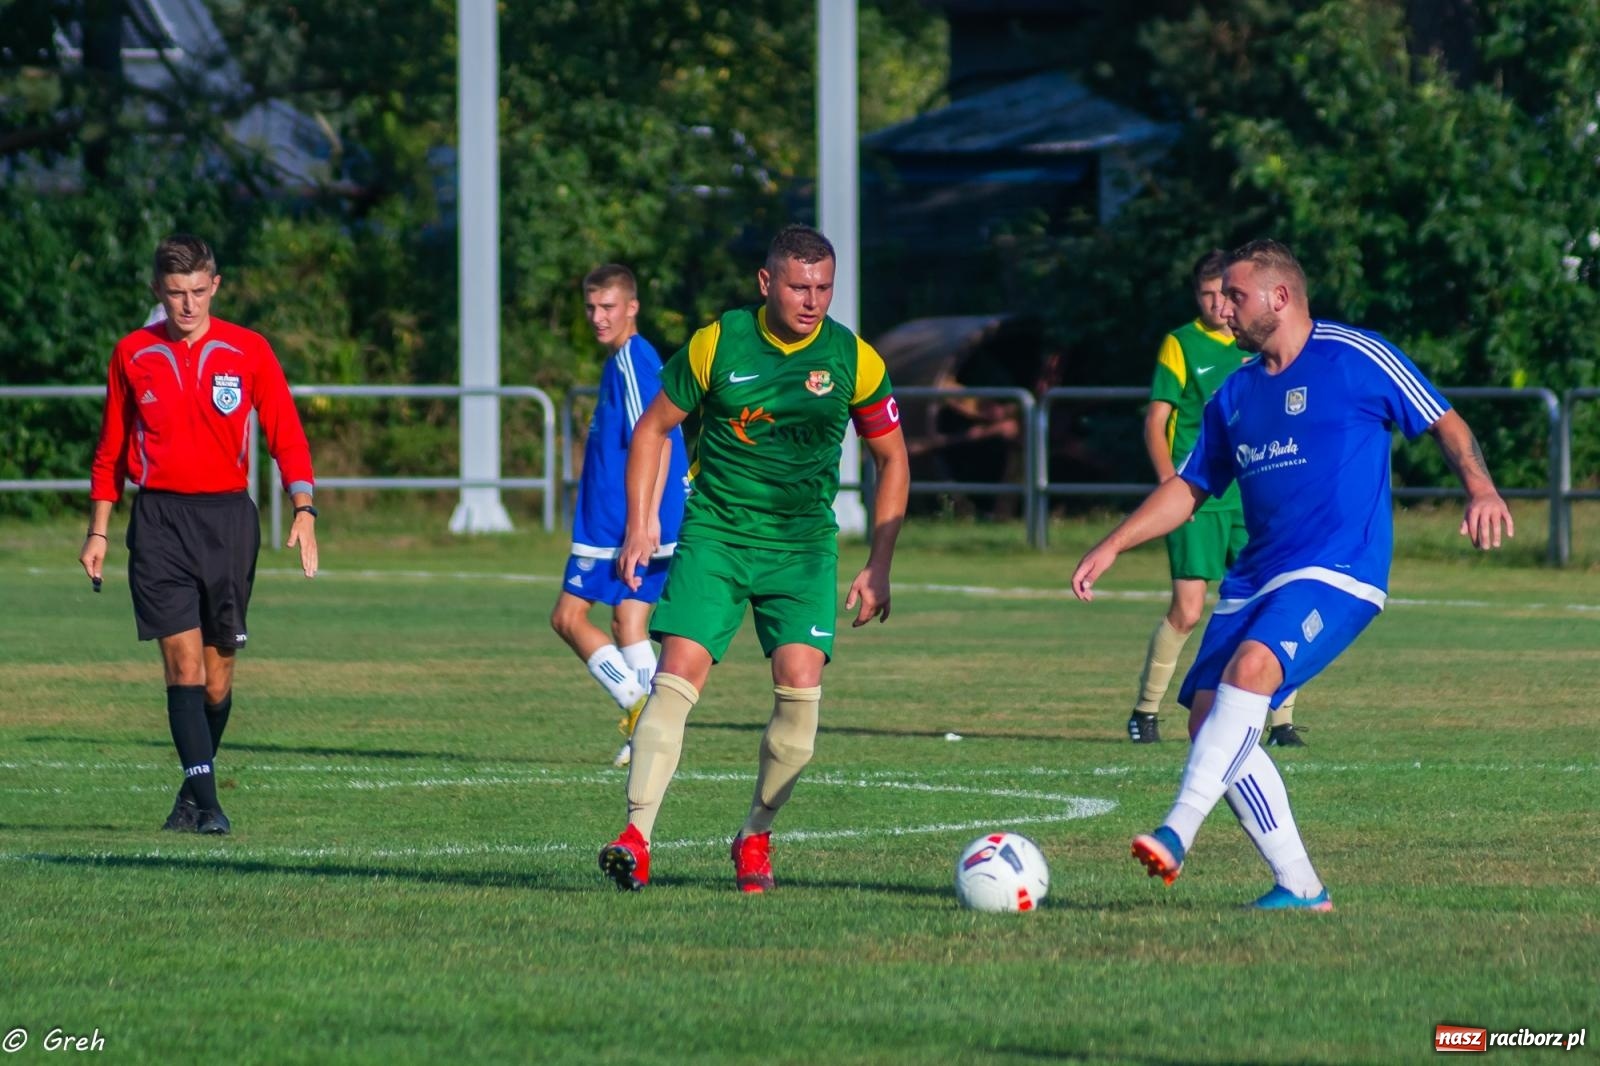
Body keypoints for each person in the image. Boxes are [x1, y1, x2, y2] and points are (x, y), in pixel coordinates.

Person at [1071, 239, 1512, 909]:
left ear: (1280, 297)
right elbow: (1190, 486)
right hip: (1253, 577)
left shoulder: (1354, 355)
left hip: (1339, 570)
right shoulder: (1235, 391)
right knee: (1210, 716)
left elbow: (1444, 420)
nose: (1226, 311)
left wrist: (1480, 488)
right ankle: (1300, 887)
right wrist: (1114, 544)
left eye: (1238, 297)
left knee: (1253, 670)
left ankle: (1177, 829)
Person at [597, 224, 910, 892]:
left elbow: (893, 458)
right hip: (718, 532)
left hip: (801, 547)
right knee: (678, 672)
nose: (813, 300)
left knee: (800, 695)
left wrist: (879, 562)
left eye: (824, 287)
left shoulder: (855, 359)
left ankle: (755, 835)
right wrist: (642, 521)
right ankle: (636, 836)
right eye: (800, 286)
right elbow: (653, 429)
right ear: (767, 283)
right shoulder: (718, 342)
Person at [80, 234, 319, 836]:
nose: (187, 305)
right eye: (175, 293)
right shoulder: (132, 353)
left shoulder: (248, 350)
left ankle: (190, 795)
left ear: (215, 285)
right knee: (182, 667)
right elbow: (110, 449)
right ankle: (210, 807)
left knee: (217, 676)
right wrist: (99, 532)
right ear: (158, 292)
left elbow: (286, 433)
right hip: (158, 522)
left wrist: (304, 506)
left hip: (228, 523)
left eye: (197, 291)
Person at [1129, 250, 1302, 747]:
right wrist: (1170, 484)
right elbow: (1156, 421)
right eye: (1206, 295)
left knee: (1276, 601)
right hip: (1197, 498)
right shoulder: (1181, 344)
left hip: (1250, 498)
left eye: (1223, 294)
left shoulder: (1262, 342)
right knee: (1187, 610)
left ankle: (1282, 721)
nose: (1216, 304)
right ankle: (1146, 711)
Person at [550, 264, 690, 768]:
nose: (597, 317)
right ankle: (655, 733)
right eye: (591, 307)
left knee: (567, 617)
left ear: (632, 307)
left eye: (608, 306)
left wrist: (643, 520)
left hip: (617, 522)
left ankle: (640, 708)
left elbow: (660, 440)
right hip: (628, 518)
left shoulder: (634, 359)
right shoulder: (626, 360)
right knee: (629, 622)